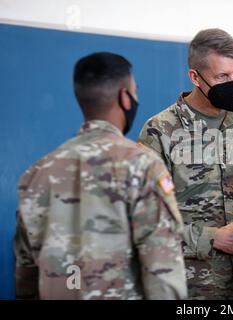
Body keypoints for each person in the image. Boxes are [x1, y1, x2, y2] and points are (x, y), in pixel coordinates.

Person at [14, 52, 187, 300]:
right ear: (125, 98)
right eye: (135, 91)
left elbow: (26, 277)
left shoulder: (37, 174)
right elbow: (164, 276)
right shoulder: (143, 166)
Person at [138, 29, 233, 299]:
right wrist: (212, 238)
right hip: (189, 290)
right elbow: (146, 220)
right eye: (222, 76)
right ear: (195, 77)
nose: (232, 83)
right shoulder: (161, 130)